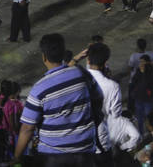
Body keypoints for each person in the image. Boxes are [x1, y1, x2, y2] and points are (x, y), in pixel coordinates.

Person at [14, 33, 99, 163]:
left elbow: (27, 129)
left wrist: (17, 158)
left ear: (44, 57)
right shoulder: (81, 74)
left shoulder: (39, 89)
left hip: (54, 156)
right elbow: (98, 99)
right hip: (85, 151)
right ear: (63, 52)